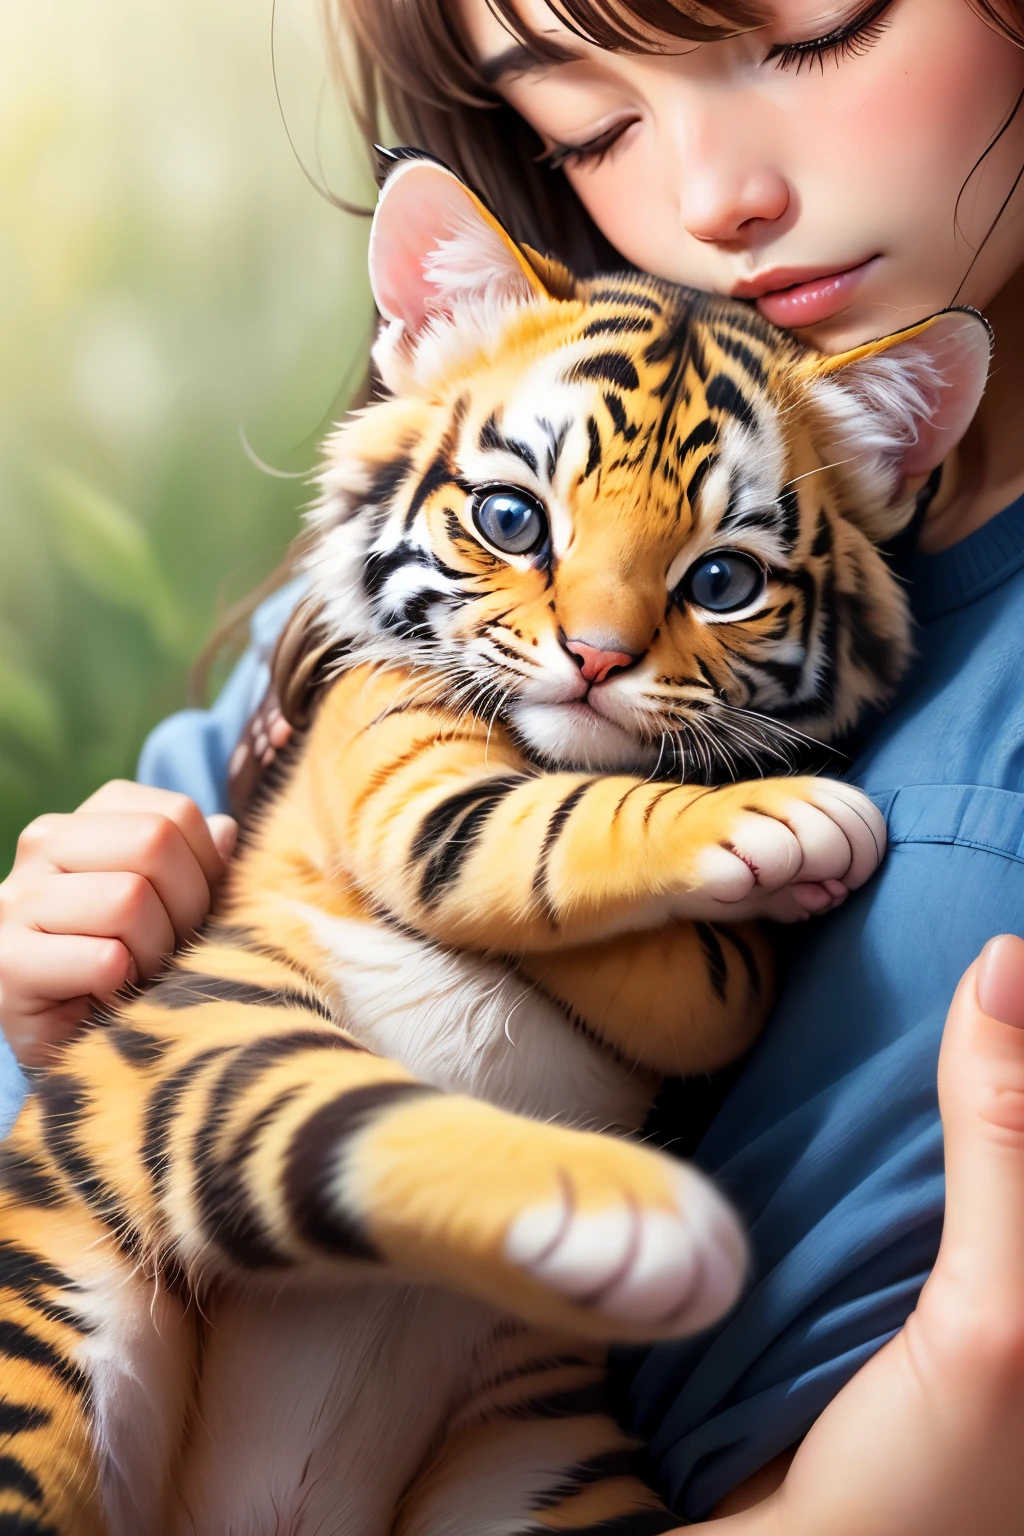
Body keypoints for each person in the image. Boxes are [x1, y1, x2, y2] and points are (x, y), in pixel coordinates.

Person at [2, 0, 1024, 1526]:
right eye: (585, 123)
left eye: (814, 31)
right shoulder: (441, 528)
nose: (705, 197)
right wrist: (56, 1002)